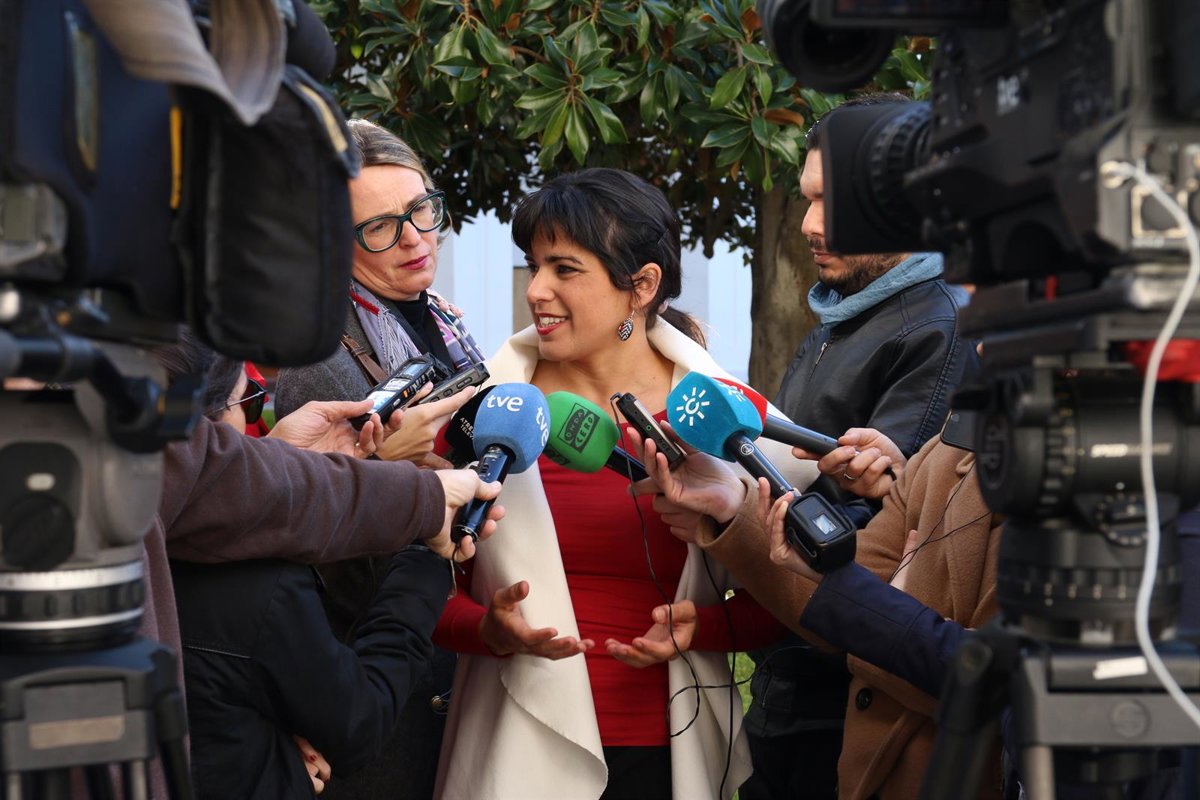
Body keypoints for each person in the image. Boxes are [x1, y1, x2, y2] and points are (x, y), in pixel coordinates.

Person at [431, 168, 815, 800]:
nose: (537, 289)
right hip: (512, 753)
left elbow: (794, 594)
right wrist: (484, 630)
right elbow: (413, 591)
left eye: (565, 269)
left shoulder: (723, 416)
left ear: (643, 285)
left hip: (670, 756)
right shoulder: (481, 411)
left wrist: (705, 628)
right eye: (535, 265)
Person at [744, 93, 979, 800]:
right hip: (792, 674)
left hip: (848, 701)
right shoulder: (844, 312)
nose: (810, 225)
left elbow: (888, 538)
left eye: (836, 204)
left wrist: (741, 511)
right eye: (808, 198)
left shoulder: (938, 326)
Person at [625, 411, 1004, 800]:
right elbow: (840, 606)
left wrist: (871, 621)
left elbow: (990, 684)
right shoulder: (947, 448)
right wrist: (733, 505)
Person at [273, 119, 485, 799]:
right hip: (379, 682)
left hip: (455, 655)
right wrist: (390, 477)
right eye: (381, 228)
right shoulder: (314, 355)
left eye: (421, 210)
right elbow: (310, 553)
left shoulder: (443, 319)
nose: (416, 238)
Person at [169, 351, 456, 799]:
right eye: (249, 403)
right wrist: (428, 554)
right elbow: (357, 723)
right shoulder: (260, 584)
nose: (253, 423)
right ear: (208, 425)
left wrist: (283, 461)